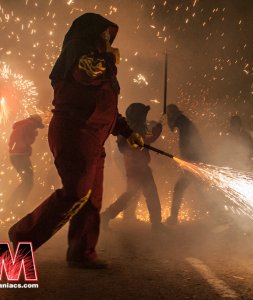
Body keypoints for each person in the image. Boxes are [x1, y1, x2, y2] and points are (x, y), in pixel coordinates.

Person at [8, 13, 143, 269]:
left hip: (94, 138)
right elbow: (87, 73)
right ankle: (22, 236)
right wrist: (109, 59)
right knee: (77, 191)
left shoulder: (99, 60)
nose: (108, 39)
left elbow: (105, 108)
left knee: (91, 198)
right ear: (91, 32)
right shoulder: (78, 51)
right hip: (74, 132)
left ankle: (82, 253)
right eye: (104, 34)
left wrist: (126, 131)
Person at [101, 103, 164, 231]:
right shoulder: (130, 130)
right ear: (137, 116)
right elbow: (143, 142)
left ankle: (106, 216)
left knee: (132, 194)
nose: (144, 118)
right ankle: (157, 225)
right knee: (150, 195)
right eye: (143, 115)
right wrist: (157, 130)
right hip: (138, 167)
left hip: (135, 166)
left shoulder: (129, 127)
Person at [165, 104, 205, 225]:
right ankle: (220, 216)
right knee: (201, 189)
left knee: (181, 188)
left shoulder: (183, 123)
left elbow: (173, 128)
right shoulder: (184, 122)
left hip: (193, 162)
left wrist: (188, 162)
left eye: (170, 115)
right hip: (193, 161)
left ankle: (173, 219)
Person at [7, 114, 45, 211]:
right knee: (28, 181)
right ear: (35, 122)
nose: (37, 128)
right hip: (21, 155)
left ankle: (13, 203)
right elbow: (28, 140)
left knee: (26, 181)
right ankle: (16, 204)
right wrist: (33, 136)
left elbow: (15, 140)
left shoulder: (22, 125)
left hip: (15, 155)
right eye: (37, 125)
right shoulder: (30, 125)